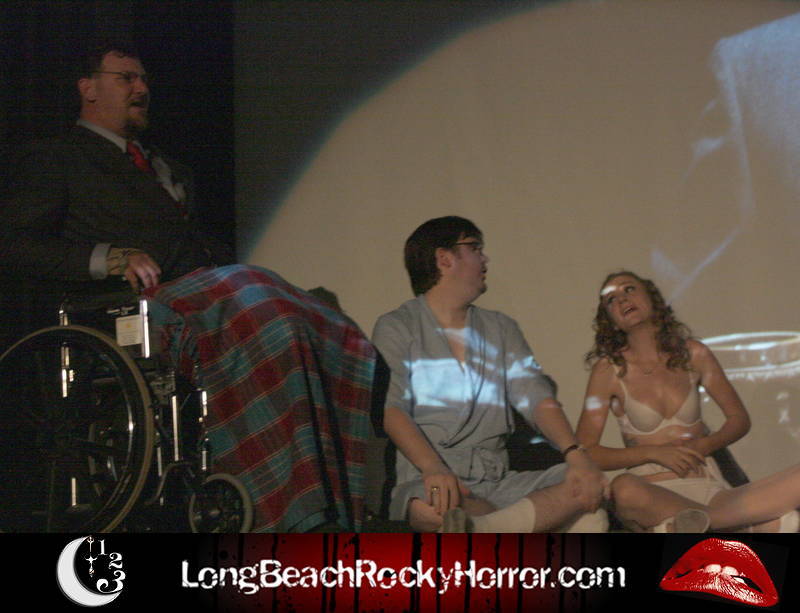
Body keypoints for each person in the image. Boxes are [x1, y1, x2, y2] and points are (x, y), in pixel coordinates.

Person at [0, 41, 380, 533]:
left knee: (315, 321)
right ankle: (287, 508)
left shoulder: (170, 168)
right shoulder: (58, 158)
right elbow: (15, 244)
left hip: (198, 296)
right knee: (261, 300)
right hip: (125, 307)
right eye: (126, 78)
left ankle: (319, 501)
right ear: (87, 88)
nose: (142, 88)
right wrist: (108, 257)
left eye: (144, 79)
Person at [372, 216, 607, 532]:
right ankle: (492, 524)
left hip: (500, 482)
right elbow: (391, 408)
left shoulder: (500, 328)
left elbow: (535, 396)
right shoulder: (397, 326)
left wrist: (575, 454)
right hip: (431, 478)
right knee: (437, 508)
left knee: (586, 484)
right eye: (475, 248)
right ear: (444, 258)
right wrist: (433, 467)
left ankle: (482, 529)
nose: (485, 259)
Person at [576, 270, 800, 532]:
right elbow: (586, 451)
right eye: (611, 299)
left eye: (629, 289)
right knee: (623, 489)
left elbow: (739, 420)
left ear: (652, 299)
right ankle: (732, 526)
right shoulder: (608, 371)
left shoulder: (694, 354)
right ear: (611, 321)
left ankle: (693, 525)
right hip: (650, 494)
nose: (622, 299)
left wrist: (705, 444)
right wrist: (653, 453)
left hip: (710, 491)